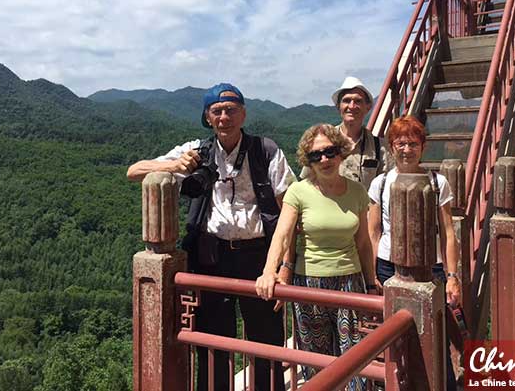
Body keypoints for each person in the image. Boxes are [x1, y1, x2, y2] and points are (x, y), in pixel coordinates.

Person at [127, 83, 296, 391]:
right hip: (212, 256)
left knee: (266, 338)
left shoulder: (265, 150)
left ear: (243, 114)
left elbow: (290, 210)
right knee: (213, 340)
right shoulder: (198, 150)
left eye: (231, 110)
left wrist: (285, 265)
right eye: (216, 111)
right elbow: (134, 171)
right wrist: (174, 166)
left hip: (259, 256)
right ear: (207, 117)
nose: (224, 117)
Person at [255, 124, 377, 391]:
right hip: (309, 283)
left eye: (329, 152)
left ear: (341, 153)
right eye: (315, 155)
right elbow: (282, 234)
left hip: (349, 283)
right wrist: (269, 271)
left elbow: (364, 242)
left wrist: (370, 281)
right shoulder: (298, 191)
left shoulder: (357, 192)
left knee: (355, 361)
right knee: (316, 363)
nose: (324, 160)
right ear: (307, 160)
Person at [367, 115, 460, 390]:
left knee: (435, 334)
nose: (406, 149)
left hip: (430, 267)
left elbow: (448, 232)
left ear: (423, 146)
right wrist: (373, 270)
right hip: (387, 265)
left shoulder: (437, 182)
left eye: (412, 143)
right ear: (391, 147)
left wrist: (452, 275)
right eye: (400, 143)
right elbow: (373, 232)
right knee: (393, 335)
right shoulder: (380, 183)